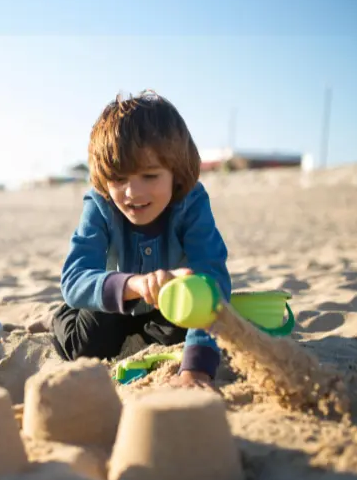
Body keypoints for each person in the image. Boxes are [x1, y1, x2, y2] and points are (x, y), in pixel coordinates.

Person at [52, 90, 231, 388]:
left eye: (149, 176)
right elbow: (73, 280)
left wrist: (197, 367)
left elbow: (213, 276)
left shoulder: (192, 202)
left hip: (164, 304)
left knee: (180, 335)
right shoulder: (99, 204)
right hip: (109, 304)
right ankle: (58, 319)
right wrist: (134, 284)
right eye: (119, 179)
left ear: (175, 173)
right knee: (85, 347)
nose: (133, 193)